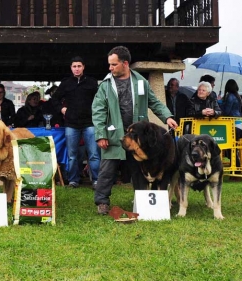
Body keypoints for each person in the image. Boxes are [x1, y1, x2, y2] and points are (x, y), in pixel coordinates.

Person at [91, 46, 177, 215]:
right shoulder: (105, 86)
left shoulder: (141, 82)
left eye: (114, 64)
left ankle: (142, 201)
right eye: (110, 64)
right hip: (113, 136)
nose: (110, 68)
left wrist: (167, 117)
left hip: (137, 139)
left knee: (139, 171)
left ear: (125, 63)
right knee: (107, 170)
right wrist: (101, 134)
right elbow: (98, 110)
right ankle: (102, 202)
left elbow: (155, 103)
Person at [51, 56, 99, 189]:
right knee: (72, 155)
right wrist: (61, 109)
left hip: (89, 123)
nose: (76, 69)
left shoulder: (92, 82)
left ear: (83, 67)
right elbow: (54, 99)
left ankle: (96, 180)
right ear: (71, 68)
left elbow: (100, 100)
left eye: (79, 66)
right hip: (71, 124)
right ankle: (73, 181)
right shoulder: (66, 83)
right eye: (74, 66)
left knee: (93, 154)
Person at [220, 79, 242, 169]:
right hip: (239, 123)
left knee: (231, 148)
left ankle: (236, 168)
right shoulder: (238, 96)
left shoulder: (230, 96)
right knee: (234, 147)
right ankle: (236, 167)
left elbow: (226, 111)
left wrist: (220, 102)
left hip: (233, 124)